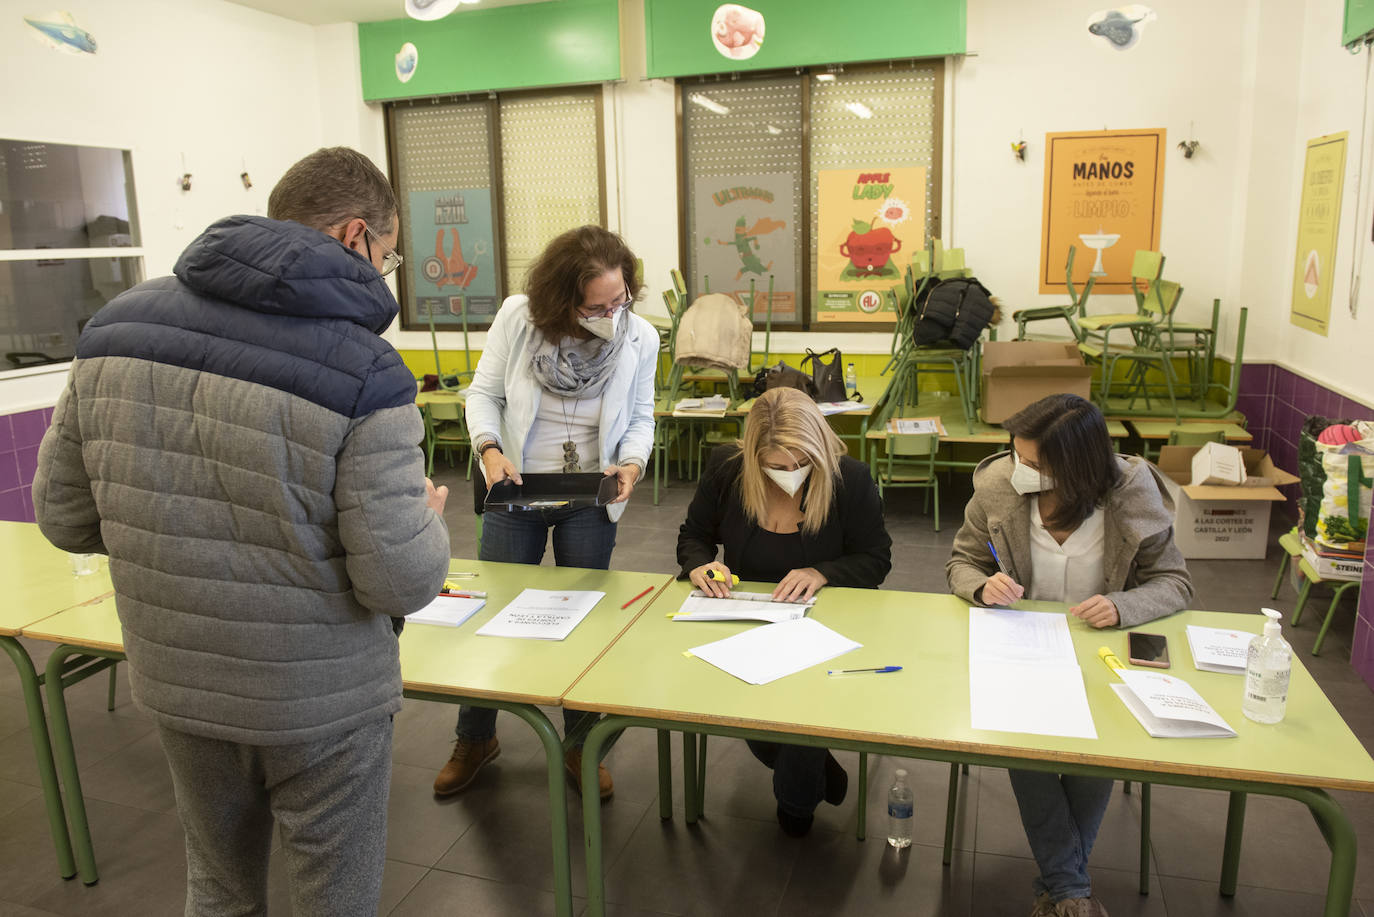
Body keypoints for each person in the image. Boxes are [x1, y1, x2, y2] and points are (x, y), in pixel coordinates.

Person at [32, 147, 451, 916]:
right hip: (321, 696)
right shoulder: (367, 371)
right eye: (388, 258)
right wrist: (422, 518)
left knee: (218, 888)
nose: (383, 275)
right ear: (358, 236)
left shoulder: (114, 327)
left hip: (179, 675)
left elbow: (62, 516)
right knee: (334, 899)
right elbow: (399, 579)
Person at [946, 393, 1192, 917]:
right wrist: (982, 587)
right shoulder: (997, 485)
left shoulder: (1131, 493)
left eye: (1035, 465)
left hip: (1099, 651)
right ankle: (1071, 892)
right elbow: (961, 563)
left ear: (1079, 468)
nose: (1021, 472)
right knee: (1025, 743)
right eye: (1018, 457)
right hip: (1021, 648)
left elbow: (1175, 582)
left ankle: (1062, 889)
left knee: (1097, 742)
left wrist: (1124, 605)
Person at [434, 225, 657, 800]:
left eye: (620, 299)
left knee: (585, 618)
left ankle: (581, 745)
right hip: (515, 488)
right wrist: (489, 449)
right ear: (562, 301)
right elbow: (483, 394)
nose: (613, 313)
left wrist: (630, 464)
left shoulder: (641, 338)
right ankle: (475, 737)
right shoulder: (519, 318)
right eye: (597, 305)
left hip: (591, 493)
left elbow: (640, 417)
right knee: (490, 618)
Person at [677, 387, 892, 836]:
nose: (790, 474)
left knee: (799, 713)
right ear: (754, 455)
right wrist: (702, 564)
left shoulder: (849, 477)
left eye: (801, 463)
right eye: (775, 466)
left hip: (821, 620)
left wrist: (823, 571)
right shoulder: (727, 469)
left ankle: (796, 806)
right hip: (744, 616)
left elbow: (877, 558)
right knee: (752, 712)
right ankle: (819, 766)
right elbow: (694, 533)